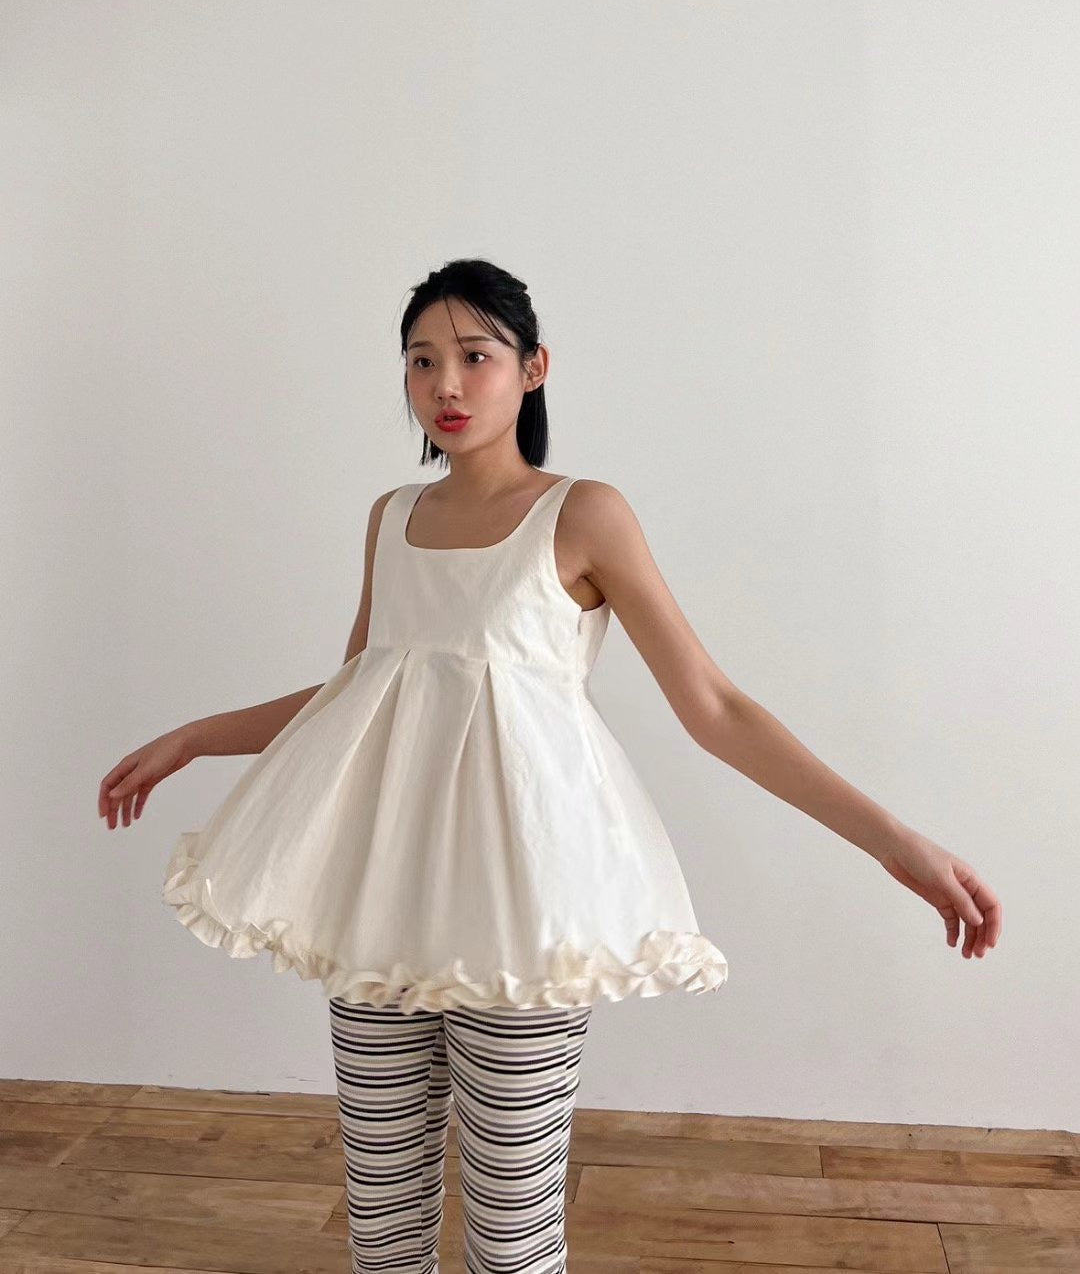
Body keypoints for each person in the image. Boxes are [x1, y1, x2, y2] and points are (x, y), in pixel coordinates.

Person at [98, 257, 1002, 1274]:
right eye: (421, 360)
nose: (446, 384)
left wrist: (894, 842)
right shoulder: (392, 518)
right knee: (381, 1217)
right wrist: (196, 737)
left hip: (523, 909)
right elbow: (359, 693)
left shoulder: (582, 515)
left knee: (512, 1227)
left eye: (474, 357)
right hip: (380, 894)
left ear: (533, 368)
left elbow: (714, 707)